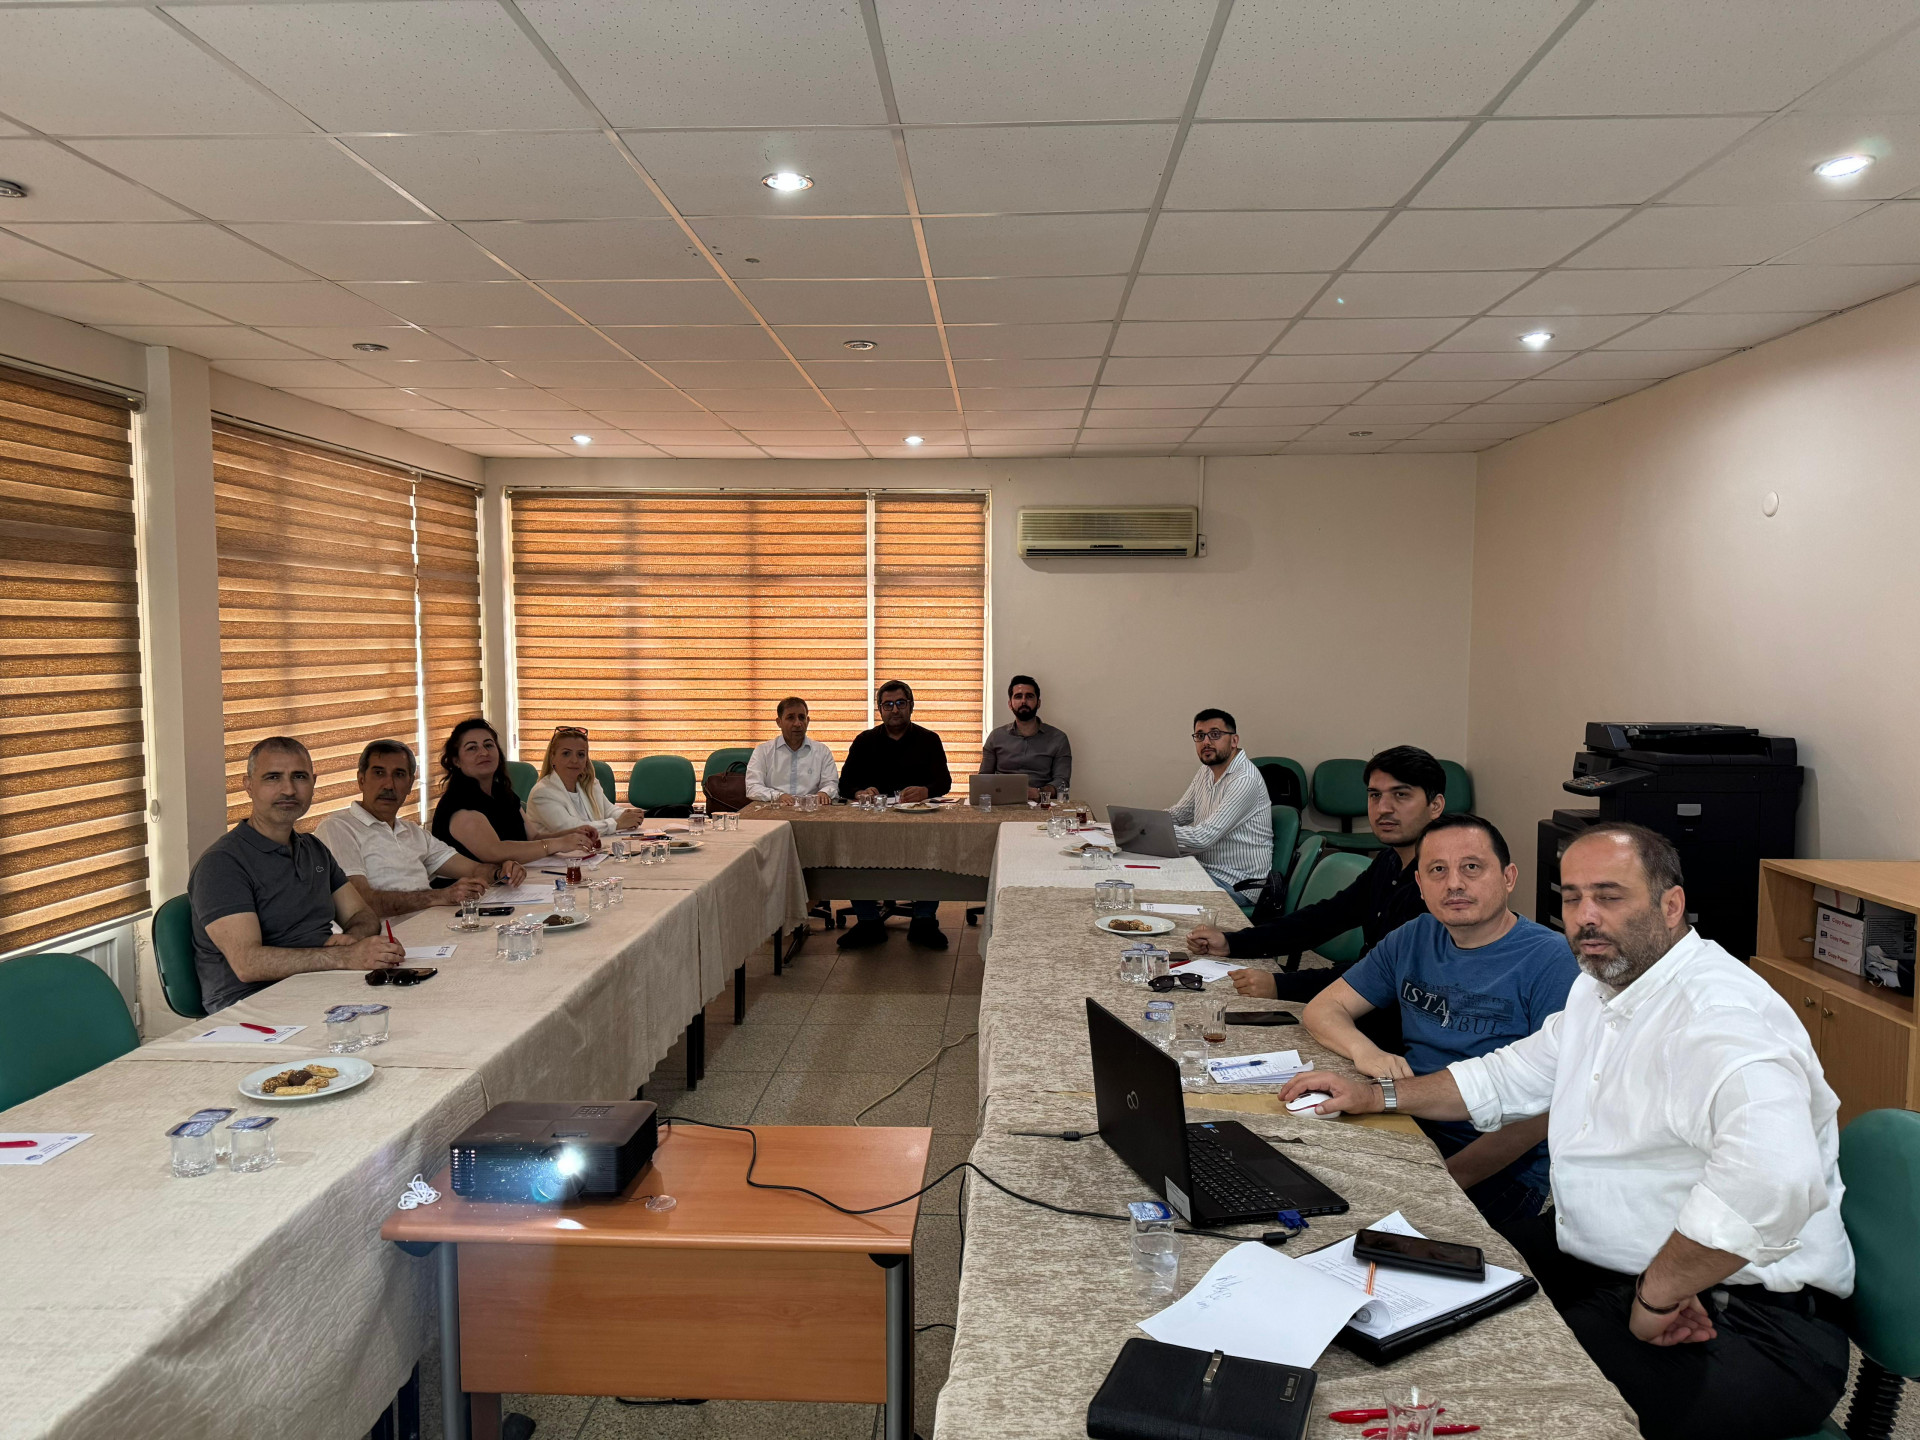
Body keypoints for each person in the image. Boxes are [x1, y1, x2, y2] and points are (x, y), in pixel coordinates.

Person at [1281, 823, 1852, 1440]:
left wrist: (1658, 1293)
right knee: (1392, 1278)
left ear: (1671, 906)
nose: (1586, 917)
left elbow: (1771, 1184)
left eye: (1609, 896)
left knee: (1494, 1393)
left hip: (1739, 1313)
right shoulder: (1601, 988)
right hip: (1609, 1259)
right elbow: (1507, 1076)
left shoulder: (1722, 1018)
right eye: (1573, 897)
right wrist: (1378, 1095)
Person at [1298, 812, 1577, 1237]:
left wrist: (1446, 1178)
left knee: (1366, 1238)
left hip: (1495, 1163)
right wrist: (1364, 1051)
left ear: (1508, 878)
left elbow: (1542, 1110)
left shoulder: (1553, 960)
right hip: (1408, 1122)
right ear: (1420, 885)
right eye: (1437, 870)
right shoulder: (1415, 935)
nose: (1454, 884)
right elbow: (1323, 1009)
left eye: (1472, 867)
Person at [1187, 745, 1446, 1009]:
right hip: (1356, 1002)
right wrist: (1232, 942)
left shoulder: (1442, 885)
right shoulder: (1389, 860)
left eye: (1401, 795)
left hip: (1392, 1019)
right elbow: (1324, 919)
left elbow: (1383, 976)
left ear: (1435, 805)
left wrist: (1281, 985)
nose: (1383, 808)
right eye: (1375, 795)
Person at [189, 736, 404, 1013]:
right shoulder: (222, 864)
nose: (289, 789)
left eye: (299, 777)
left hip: (320, 986)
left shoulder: (313, 848)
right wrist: (343, 956)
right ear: (248, 785)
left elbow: (362, 915)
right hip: (251, 1008)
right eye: (273, 777)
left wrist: (353, 939)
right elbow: (247, 963)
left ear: (313, 782)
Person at [316, 740, 527, 918]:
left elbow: (473, 870)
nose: (389, 785)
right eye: (379, 773)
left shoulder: (412, 832)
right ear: (361, 780)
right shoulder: (338, 828)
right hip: (385, 939)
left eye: (399, 774)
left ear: (410, 785)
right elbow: (360, 903)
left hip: (432, 927)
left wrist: (502, 871)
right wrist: (441, 896)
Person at [837, 680, 953, 951]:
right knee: (850, 851)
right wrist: (860, 792)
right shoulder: (864, 741)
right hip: (872, 822)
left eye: (901, 703)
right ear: (880, 710)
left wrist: (926, 790)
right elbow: (845, 785)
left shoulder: (929, 739)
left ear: (911, 706)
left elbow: (944, 782)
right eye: (888, 705)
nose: (895, 710)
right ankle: (868, 922)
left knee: (936, 851)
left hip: (919, 821)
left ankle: (924, 920)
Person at [429, 717, 596, 867]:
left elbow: (533, 838)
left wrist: (573, 834)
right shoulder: (458, 802)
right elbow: (494, 852)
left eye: (489, 745)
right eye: (472, 748)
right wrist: (557, 844)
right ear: (456, 761)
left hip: (515, 882)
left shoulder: (502, 792)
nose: (484, 752)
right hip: (472, 889)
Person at [1167, 708, 1272, 893]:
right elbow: (1179, 814)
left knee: (1160, 890)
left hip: (1237, 883)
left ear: (1234, 740)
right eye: (1200, 736)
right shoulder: (1205, 771)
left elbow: (1203, 838)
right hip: (1204, 870)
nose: (1206, 742)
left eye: (1215, 734)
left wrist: (1149, 830)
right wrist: (1142, 822)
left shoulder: (1245, 779)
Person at [526, 725, 647, 836]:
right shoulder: (542, 793)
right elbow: (571, 829)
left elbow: (608, 810)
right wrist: (617, 824)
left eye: (580, 755)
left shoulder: (589, 783)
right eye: (566, 753)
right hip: (558, 853)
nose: (574, 760)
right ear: (552, 757)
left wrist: (629, 815)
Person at [980, 674, 1071, 798]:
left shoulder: (1058, 738)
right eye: (1018, 696)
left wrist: (1039, 792)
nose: (1023, 701)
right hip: (1003, 803)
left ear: (1038, 703)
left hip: (1042, 803)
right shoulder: (996, 737)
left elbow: (1062, 782)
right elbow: (983, 779)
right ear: (1010, 704)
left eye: (1029, 696)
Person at [746, 696, 839, 805]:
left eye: (802, 717)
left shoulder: (822, 751)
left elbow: (831, 783)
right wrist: (778, 796)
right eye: (790, 718)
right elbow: (752, 787)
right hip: (775, 809)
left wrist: (825, 792)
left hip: (811, 810)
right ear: (779, 722)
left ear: (808, 721)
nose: (797, 724)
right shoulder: (763, 751)